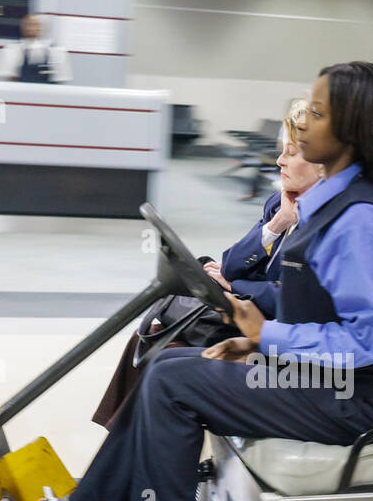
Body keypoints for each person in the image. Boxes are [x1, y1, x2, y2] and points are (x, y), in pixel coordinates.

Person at [61, 61, 373, 501]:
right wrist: (252, 339)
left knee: (172, 383)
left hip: (353, 398)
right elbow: (313, 310)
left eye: (317, 113)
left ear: (351, 129)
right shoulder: (328, 206)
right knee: (169, 364)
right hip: (318, 378)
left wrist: (267, 338)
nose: (301, 126)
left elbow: (368, 343)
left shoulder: (358, 219)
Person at [91, 98, 322, 427]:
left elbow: (286, 297)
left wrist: (237, 286)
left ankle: (133, 445)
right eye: (281, 150)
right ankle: (120, 435)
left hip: (275, 331)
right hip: (251, 316)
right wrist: (276, 225)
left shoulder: (325, 224)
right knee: (150, 334)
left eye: (291, 152)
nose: (279, 161)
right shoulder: (280, 202)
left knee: (168, 352)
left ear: (320, 163)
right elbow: (231, 264)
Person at [0, 14, 72, 84]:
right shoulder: (13, 50)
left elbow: (60, 80)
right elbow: (8, 79)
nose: (31, 28)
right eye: (28, 25)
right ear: (22, 27)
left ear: (44, 28)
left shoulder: (56, 51)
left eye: (35, 25)